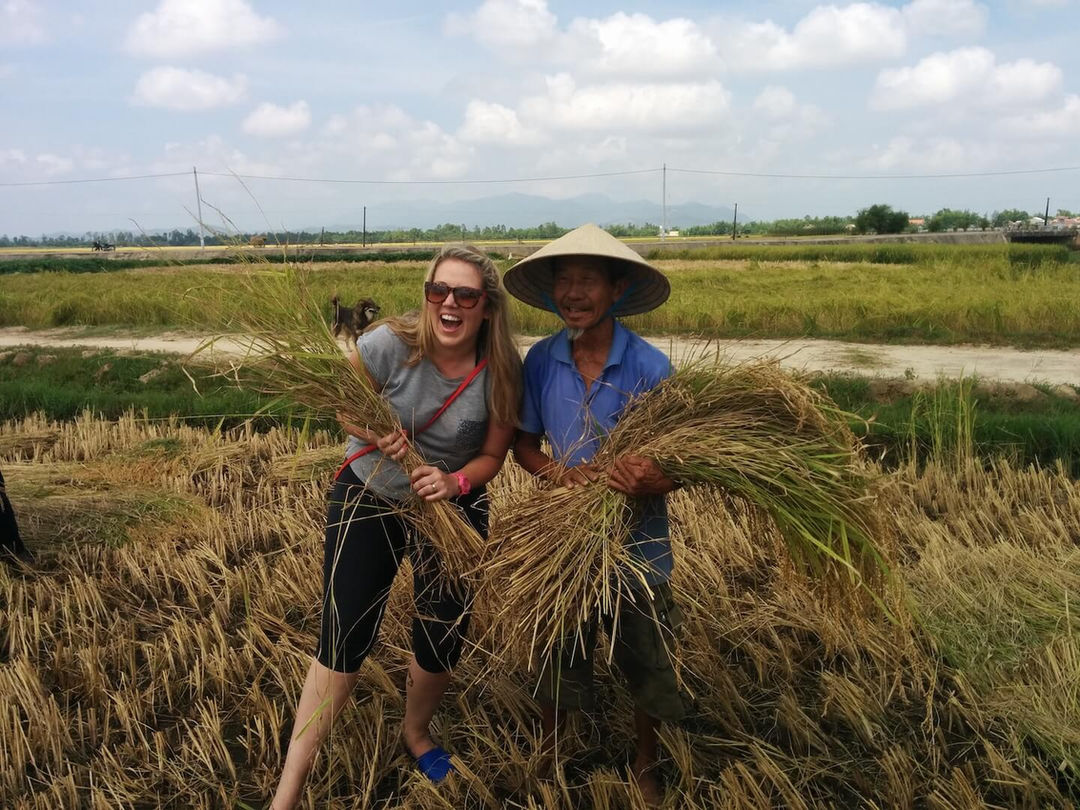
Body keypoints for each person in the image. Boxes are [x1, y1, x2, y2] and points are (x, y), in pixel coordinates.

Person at [271, 244, 522, 809]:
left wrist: (455, 484)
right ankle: (287, 791)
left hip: (451, 508)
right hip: (370, 492)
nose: (449, 304)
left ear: (487, 307)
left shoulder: (502, 369)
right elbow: (344, 406)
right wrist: (376, 430)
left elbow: (492, 457)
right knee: (344, 634)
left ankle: (415, 733)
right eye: (439, 291)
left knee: (442, 631)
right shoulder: (390, 343)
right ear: (426, 296)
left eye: (465, 295)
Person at [505, 224, 687, 806]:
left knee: (643, 655)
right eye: (564, 281)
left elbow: (682, 466)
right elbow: (525, 446)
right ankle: (553, 747)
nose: (573, 293)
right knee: (557, 644)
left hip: (639, 544)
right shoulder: (541, 359)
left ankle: (644, 761)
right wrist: (561, 476)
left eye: (587, 281)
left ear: (617, 290)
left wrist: (653, 478)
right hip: (564, 534)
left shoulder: (651, 369)